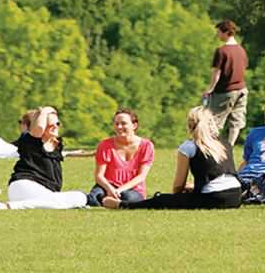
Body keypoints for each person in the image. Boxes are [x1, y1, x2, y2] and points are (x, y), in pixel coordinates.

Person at [103, 107, 241, 210]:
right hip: (235, 196)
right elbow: (220, 174)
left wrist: (177, 196)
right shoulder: (225, 144)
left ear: (190, 125)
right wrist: (194, 187)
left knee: (162, 199)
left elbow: (178, 187)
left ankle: (121, 205)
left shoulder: (189, 146)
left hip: (214, 198)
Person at [0, 107, 86, 210]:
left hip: (44, 193)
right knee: (71, 199)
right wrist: (45, 110)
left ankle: (32, 204)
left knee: (80, 197)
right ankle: (11, 206)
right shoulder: (31, 141)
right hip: (24, 186)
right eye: (50, 124)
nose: (55, 126)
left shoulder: (56, 145)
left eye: (57, 123)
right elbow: (39, 128)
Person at [87, 108, 155, 206]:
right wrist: (110, 189)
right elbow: (99, 176)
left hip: (132, 189)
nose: (119, 127)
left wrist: (118, 190)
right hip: (107, 186)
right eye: (116, 124)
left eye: (123, 123)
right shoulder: (105, 145)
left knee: (127, 197)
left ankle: (110, 201)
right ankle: (106, 200)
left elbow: (141, 176)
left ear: (134, 125)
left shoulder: (146, 146)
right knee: (93, 198)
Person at [202, 19, 248, 146]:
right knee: (236, 121)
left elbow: (217, 73)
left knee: (213, 121)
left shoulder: (222, 51)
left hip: (225, 91)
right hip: (241, 90)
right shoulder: (241, 50)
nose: (218, 35)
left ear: (226, 32)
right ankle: (230, 146)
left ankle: (211, 146)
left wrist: (210, 89)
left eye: (219, 32)